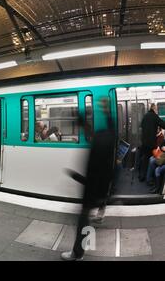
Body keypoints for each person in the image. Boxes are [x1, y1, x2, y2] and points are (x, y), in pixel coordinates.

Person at [61, 97, 117, 261]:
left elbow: (91, 177)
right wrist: (106, 112)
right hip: (102, 189)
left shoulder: (97, 149)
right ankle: (80, 250)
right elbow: (108, 127)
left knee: (83, 220)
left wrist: (74, 175)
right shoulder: (108, 139)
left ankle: (77, 254)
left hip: (92, 190)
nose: (88, 135)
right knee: (86, 218)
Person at [139, 104, 165, 181]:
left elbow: (142, 126)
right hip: (151, 143)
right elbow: (163, 124)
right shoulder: (154, 116)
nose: (157, 111)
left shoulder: (145, 116)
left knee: (144, 159)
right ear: (154, 109)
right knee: (153, 159)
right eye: (157, 110)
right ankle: (150, 178)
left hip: (144, 141)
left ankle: (142, 176)